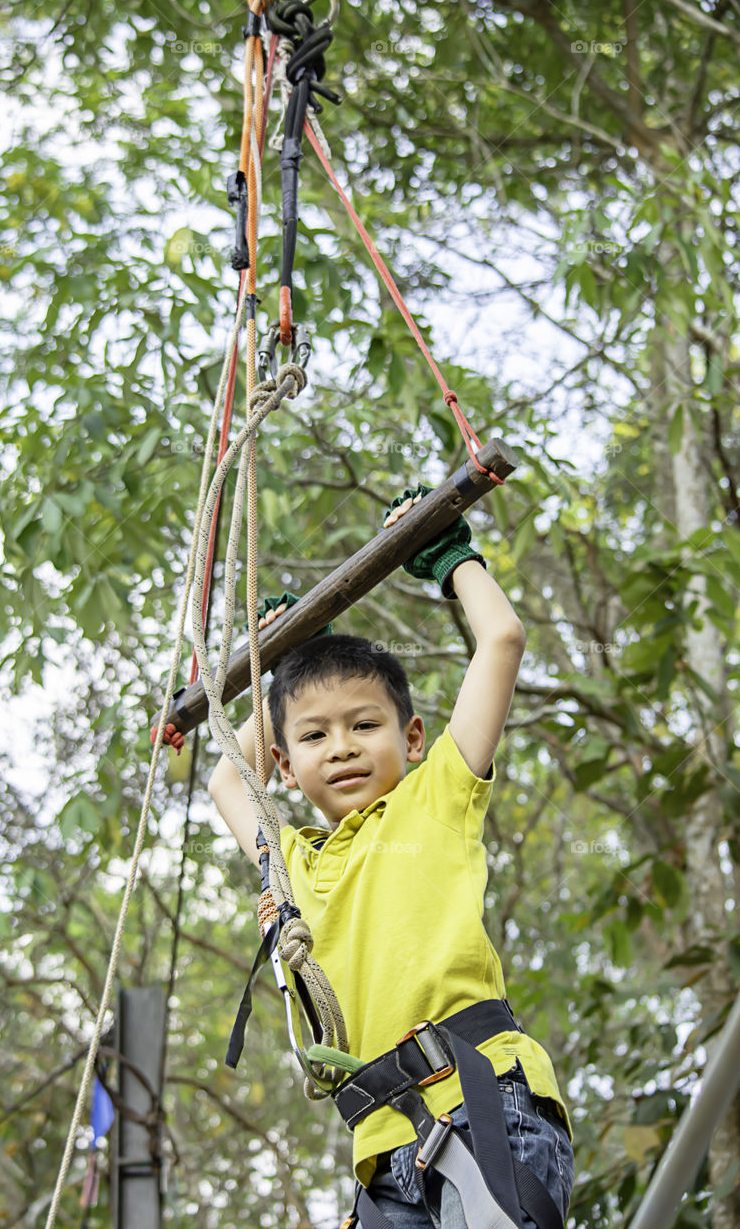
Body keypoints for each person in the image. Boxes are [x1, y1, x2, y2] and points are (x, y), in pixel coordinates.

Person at [208, 488, 575, 1228]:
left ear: (410, 740)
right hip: (378, 1155)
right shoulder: (292, 865)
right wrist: (289, 659)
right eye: (314, 737)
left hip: (481, 1106)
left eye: (363, 724)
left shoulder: (432, 797)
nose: (340, 746)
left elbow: (500, 639)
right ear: (282, 763)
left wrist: (451, 559)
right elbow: (227, 775)